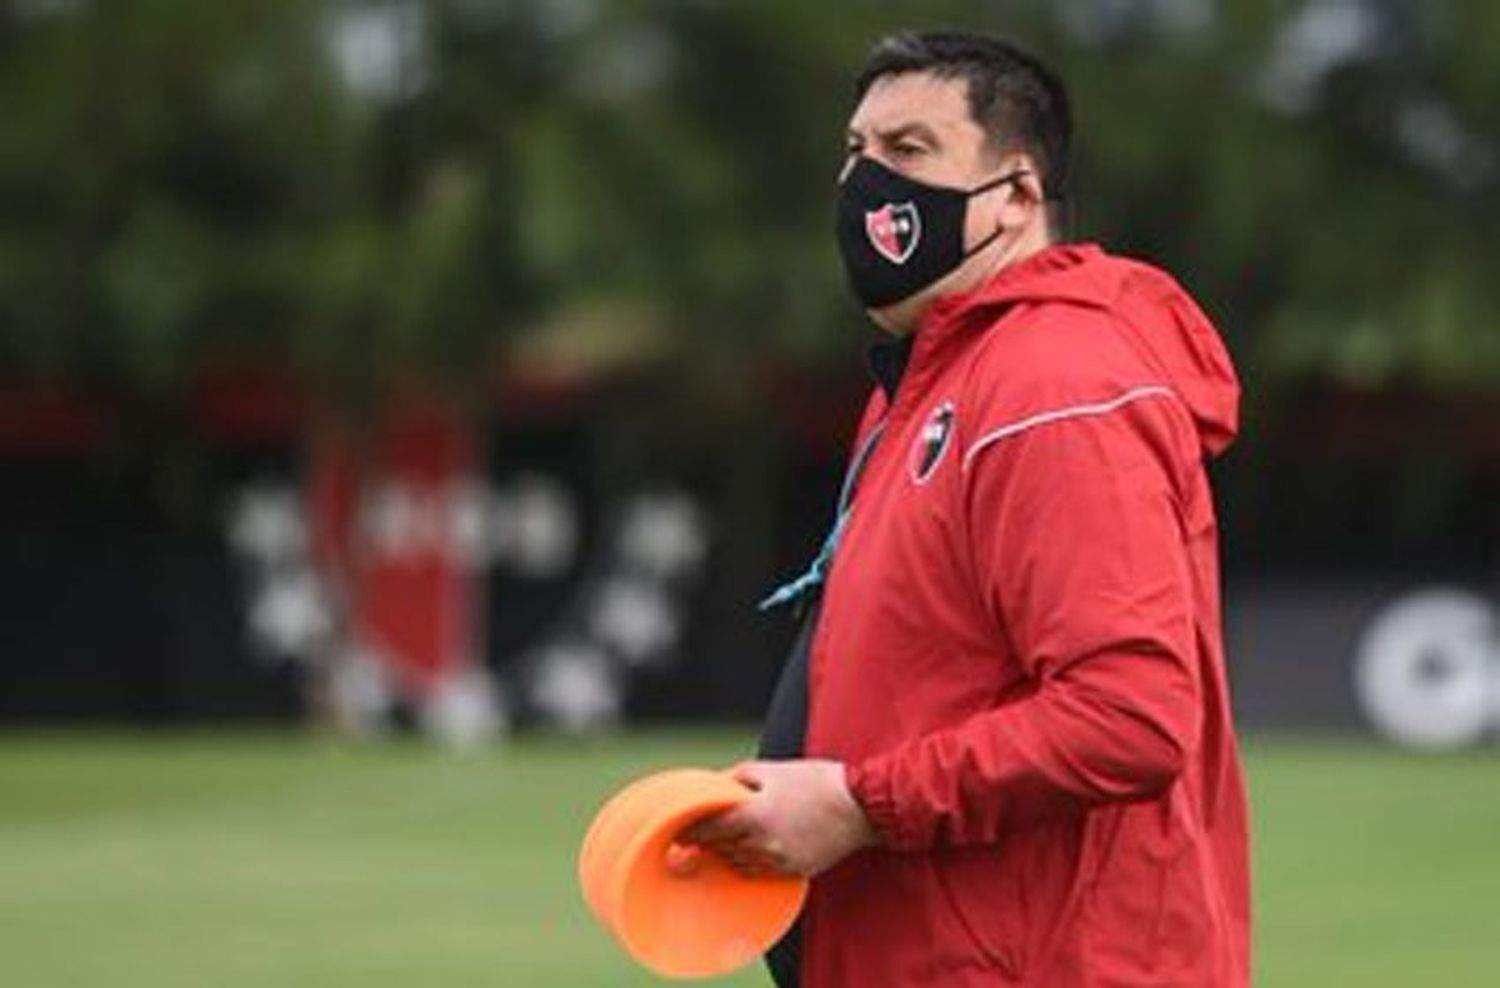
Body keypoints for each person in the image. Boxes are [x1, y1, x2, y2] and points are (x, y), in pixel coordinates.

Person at [685, 30, 1250, 987]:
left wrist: (861, 803)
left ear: (1020, 195)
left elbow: (1129, 714)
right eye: (857, 151)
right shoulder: (927, 384)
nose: (866, 182)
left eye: (909, 151)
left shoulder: (1055, 383)